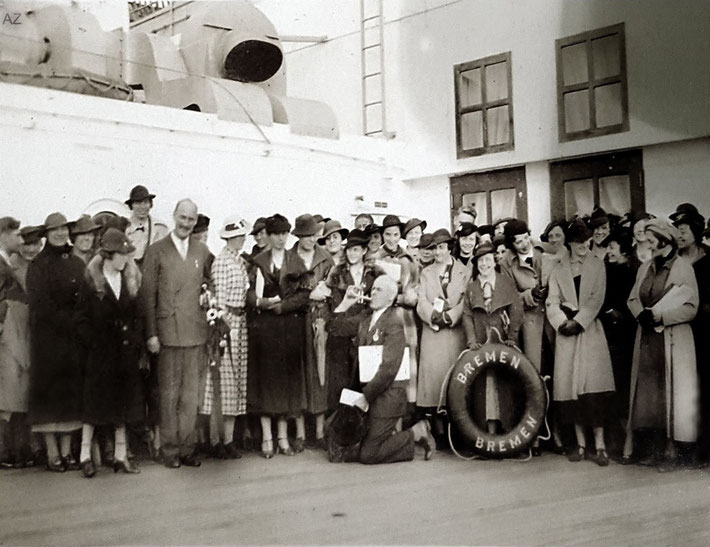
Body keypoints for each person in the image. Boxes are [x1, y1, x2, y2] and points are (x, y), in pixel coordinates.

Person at [330, 275, 436, 464]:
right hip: (366, 393)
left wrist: (365, 397)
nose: (373, 292)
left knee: (368, 455)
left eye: (379, 289)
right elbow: (335, 328)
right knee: (342, 443)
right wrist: (346, 303)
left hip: (386, 396)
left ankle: (415, 432)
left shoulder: (394, 322)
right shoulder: (365, 318)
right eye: (374, 288)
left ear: (390, 297)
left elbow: (388, 369)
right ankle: (395, 441)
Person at [141, 199, 213, 469]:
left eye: (191, 220)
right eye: (182, 218)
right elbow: (147, 296)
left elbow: (209, 286)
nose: (186, 224)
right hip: (168, 333)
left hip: (195, 333)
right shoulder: (156, 251)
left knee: (190, 396)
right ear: (174, 217)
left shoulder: (202, 250)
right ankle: (169, 450)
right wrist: (151, 334)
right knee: (169, 395)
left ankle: (187, 448)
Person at [624, 219, 699, 471]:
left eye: (651, 239)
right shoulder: (645, 268)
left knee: (673, 394)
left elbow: (691, 307)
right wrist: (640, 314)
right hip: (647, 338)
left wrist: (661, 317)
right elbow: (633, 297)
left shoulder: (683, 267)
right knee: (649, 397)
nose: (646, 243)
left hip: (673, 340)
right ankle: (652, 449)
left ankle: (674, 452)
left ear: (663, 241)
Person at [75, 228, 144, 477]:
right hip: (100, 354)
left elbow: (137, 316)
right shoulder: (92, 282)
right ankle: (84, 456)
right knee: (93, 406)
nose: (126, 258)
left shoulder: (129, 279)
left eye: (127, 254)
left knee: (122, 406)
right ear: (108, 254)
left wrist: (134, 340)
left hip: (124, 354)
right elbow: (81, 319)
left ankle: (120, 456)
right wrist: (93, 342)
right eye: (121, 254)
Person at [547, 220, 616, 466]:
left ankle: (600, 446)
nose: (583, 245)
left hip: (590, 332)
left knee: (594, 390)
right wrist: (561, 322)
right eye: (577, 242)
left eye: (586, 240)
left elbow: (597, 298)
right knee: (571, 390)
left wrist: (580, 320)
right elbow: (552, 300)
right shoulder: (558, 269)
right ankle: (580, 444)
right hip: (567, 332)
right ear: (570, 243)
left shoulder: (598, 266)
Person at [27, 213, 86, 472]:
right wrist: (69, 320)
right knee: (50, 398)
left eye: (64, 229)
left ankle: (67, 452)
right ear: (47, 234)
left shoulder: (75, 261)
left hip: (71, 340)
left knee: (69, 396)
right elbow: (41, 304)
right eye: (55, 230)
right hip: (48, 340)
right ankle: (53, 453)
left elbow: (83, 296)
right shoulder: (38, 264)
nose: (60, 234)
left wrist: (79, 320)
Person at [247, 214, 308, 458]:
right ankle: (267, 438)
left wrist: (284, 306)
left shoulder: (296, 261)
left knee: (285, 386)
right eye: (276, 234)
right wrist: (261, 303)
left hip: (289, 330)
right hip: (265, 330)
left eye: (284, 234)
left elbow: (304, 295)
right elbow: (248, 294)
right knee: (266, 384)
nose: (281, 239)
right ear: (268, 236)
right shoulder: (258, 261)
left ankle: (283, 437)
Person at [461, 240, 523, 439]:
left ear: (494, 261)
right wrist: (471, 340)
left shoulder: (506, 282)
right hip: (480, 342)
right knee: (483, 386)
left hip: (503, 341)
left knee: (505, 385)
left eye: (488, 260)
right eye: (480, 261)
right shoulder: (471, 287)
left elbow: (516, 310)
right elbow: (467, 315)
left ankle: (509, 431)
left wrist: (512, 337)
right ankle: (487, 432)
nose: (484, 264)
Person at [201, 216, 250, 459]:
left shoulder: (239, 261)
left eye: (241, 236)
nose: (240, 239)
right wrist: (221, 327)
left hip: (240, 324)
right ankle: (215, 440)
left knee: (235, 385)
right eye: (237, 236)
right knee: (221, 384)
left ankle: (228, 439)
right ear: (228, 238)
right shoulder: (221, 262)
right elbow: (217, 298)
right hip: (226, 324)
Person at [417, 229, 472, 442]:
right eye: (434, 248)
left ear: (449, 247)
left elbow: (464, 301)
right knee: (434, 382)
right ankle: (439, 431)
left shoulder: (464, 271)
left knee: (454, 379)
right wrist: (432, 316)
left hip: (454, 332)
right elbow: (421, 299)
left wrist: (450, 317)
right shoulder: (426, 272)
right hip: (433, 332)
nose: (438, 252)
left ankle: (457, 430)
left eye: (441, 247)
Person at [324, 229, 377, 411]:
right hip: (342, 335)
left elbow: (376, 303)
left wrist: (360, 321)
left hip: (366, 334)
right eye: (349, 249)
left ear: (364, 251)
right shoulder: (337, 272)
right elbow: (336, 306)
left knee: (364, 382)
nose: (352, 253)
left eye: (356, 250)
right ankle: (345, 429)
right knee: (342, 385)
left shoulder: (374, 273)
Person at [293, 215, 334, 449]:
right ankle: (299, 432)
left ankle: (319, 432)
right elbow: (286, 291)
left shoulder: (325, 258)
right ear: (298, 236)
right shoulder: (290, 258)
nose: (309, 239)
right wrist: (308, 295)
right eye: (305, 236)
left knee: (321, 373)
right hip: (297, 320)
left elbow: (334, 287)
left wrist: (325, 294)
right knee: (299, 373)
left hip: (320, 319)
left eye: (312, 235)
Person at [373, 215, 419, 405]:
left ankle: (406, 408)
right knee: (385, 361)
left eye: (395, 234)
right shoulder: (376, 259)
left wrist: (406, 297)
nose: (391, 239)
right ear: (382, 235)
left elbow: (413, 291)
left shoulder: (407, 259)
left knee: (406, 360)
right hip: (383, 317)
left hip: (404, 318)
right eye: (388, 234)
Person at [599, 226, 637, 450]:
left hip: (627, 335)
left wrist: (621, 313)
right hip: (609, 334)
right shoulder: (605, 270)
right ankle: (616, 439)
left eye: (612, 247)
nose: (609, 252)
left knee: (624, 384)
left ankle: (627, 439)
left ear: (623, 249)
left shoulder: (634, 272)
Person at [0, 218, 32, 468]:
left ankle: (12, 451)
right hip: (7, 333)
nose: (20, 240)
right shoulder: (1, 265)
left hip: (10, 330)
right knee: (8, 396)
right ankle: (6, 452)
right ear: (4, 235)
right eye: (16, 235)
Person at [125, 185, 169, 266]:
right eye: (138, 203)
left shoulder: (160, 229)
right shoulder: (123, 228)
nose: (142, 207)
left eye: (145, 202)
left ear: (150, 204)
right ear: (131, 205)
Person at [9, 226, 44, 291]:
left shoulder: (47, 263)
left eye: (35, 244)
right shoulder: (8, 265)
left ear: (41, 244)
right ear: (18, 244)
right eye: (26, 245)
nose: (31, 250)